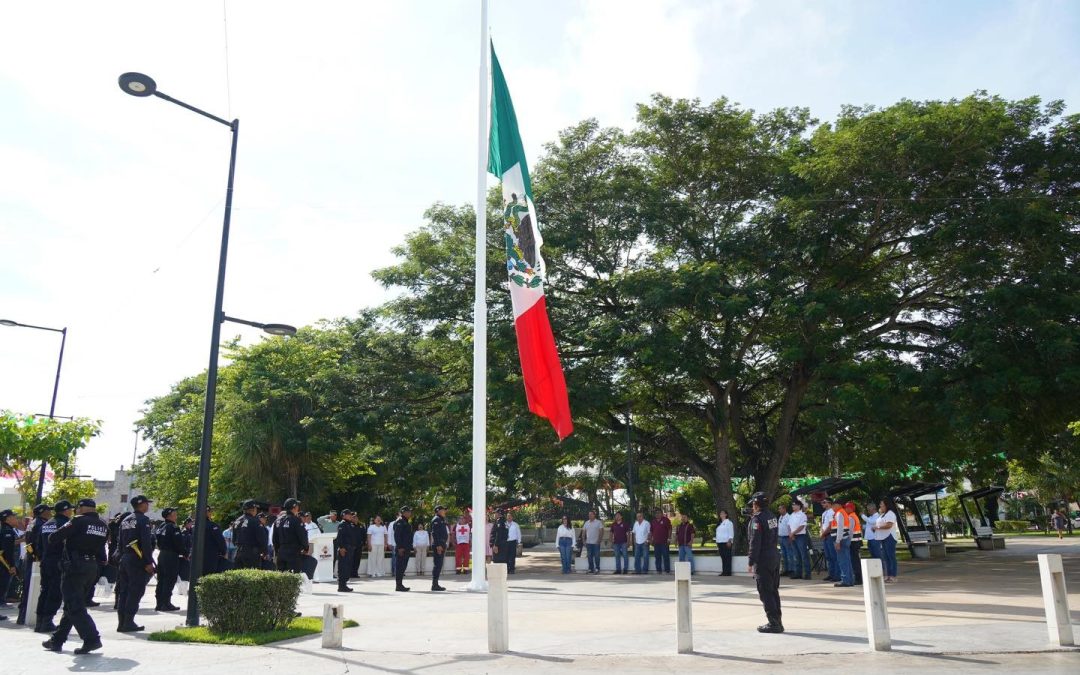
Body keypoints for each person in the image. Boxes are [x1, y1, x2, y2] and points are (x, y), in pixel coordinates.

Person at [40, 499, 107, 655]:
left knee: (74, 606)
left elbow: (53, 537)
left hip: (75, 567)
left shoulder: (78, 521)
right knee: (72, 605)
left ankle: (92, 638)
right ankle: (57, 641)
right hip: (91, 567)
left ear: (82, 508)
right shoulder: (103, 524)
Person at [116, 495, 154, 632]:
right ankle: (129, 622)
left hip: (125, 558)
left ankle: (122, 622)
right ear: (141, 504)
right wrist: (148, 561)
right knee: (135, 591)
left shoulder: (125, 519)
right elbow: (146, 543)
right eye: (146, 503)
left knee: (124, 591)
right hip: (137, 559)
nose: (148, 506)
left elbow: (119, 542)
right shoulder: (143, 520)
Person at [36, 500, 73, 633]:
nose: (71, 512)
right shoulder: (66, 524)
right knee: (55, 592)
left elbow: (38, 545)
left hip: (46, 561)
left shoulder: (46, 523)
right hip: (58, 562)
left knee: (44, 591)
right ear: (66, 510)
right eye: (70, 509)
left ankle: (39, 621)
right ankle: (47, 621)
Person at [747, 492, 782, 633]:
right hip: (773, 555)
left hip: (763, 559)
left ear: (756, 504)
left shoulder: (757, 519)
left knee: (765, 592)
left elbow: (755, 542)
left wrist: (751, 561)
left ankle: (773, 623)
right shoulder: (772, 516)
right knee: (773, 591)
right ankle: (778, 621)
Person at [18, 503, 51, 624]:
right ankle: (26, 616)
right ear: (43, 512)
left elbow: (28, 543)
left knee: (28, 588)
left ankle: (23, 616)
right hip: (35, 560)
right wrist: (36, 557)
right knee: (31, 588)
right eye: (48, 510)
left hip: (31, 558)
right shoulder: (40, 524)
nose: (50, 513)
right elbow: (34, 543)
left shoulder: (33, 522)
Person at [153, 508, 183, 611]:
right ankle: (166, 603)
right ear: (170, 515)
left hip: (162, 554)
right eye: (175, 513)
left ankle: (159, 603)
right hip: (171, 555)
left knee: (161, 580)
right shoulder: (173, 527)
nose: (176, 515)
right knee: (169, 579)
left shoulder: (161, 526)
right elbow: (178, 542)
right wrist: (185, 552)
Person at [273, 498, 309, 573]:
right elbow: (302, 536)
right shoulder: (296, 520)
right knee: (294, 577)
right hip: (293, 553)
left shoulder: (278, 520)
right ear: (295, 507)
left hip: (281, 552)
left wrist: (277, 551)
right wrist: (306, 548)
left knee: (281, 577)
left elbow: (275, 538)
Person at [232, 500, 268, 570]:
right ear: (253, 509)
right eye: (256, 509)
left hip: (238, 552)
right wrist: (264, 552)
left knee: (239, 576)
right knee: (253, 577)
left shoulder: (237, 521)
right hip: (252, 553)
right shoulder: (255, 521)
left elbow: (234, 539)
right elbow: (262, 538)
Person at [872, 499, 899, 582]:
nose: (880, 506)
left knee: (891, 556)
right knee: (885, 557)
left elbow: (889, 525)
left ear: (886, 505)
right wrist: (875, 528)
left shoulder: (890, 514)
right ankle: (887, 575)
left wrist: (878, 527)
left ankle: (893, 575)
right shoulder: (882, 514)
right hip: (883, 537)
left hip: (889, 537)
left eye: (882, 505)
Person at [199, 506, 229, 576]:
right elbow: (220, 541)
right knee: (209, 575)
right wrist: (224, 552)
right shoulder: (212, 526)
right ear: (207, 513)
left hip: (197, 556)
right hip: (210, 556)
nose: (211, 513)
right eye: (210, 512)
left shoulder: (194, 527)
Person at [334, 510, 358, 592]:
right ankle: (341, 586)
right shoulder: (342, 524)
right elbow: (339, 538)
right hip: (344, 549)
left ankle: (344, 585)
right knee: (343, 568)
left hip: (350, 549)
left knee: (347, 568)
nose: (351, 516)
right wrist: (341, 548)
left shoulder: (350, 524)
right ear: (344, 515)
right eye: (349, 515)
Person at [788, 500, 811, 580]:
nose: (792, 506)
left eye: (794, 505)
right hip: (793, 536)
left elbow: (802, 526)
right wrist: (790, 534)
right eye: (792, 505)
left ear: (799, 506)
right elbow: (789, 525)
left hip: (801, 536)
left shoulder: (803, 515)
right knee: (796, 556)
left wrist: (793, 533)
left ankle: (807, 574)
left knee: (803, 555)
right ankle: (798, 573)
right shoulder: (791, 515)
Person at [0, 509, 17, 618]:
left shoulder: (6, 530)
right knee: (2, 587)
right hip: (3, 564)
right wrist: (11, 566)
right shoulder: (7, 531)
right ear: (8, 518)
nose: (15, 518)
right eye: (13, 516)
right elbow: (7, 552)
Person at [393, 506, 414, 592]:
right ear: (403, 512)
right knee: (400, 567)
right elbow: (397, 536)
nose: (410, 513)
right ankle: (398, 585)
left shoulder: (405, 521)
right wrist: (400, 547)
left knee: (403, 567)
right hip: (402, 549)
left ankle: (400, 584)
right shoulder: (400, 522)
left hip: (406, 548)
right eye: (408, 511)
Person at [429, 505, 449, 591]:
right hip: (439, 545)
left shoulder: (441, 519)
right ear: (438, 511)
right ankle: (434, 585)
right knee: (437, 565)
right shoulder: (436, 519)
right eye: (443, 510)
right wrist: (438, 545)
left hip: (441, 544)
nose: (445, 511)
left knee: (439, 565)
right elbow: (435, 533)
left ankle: (436, 584)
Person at [819, 498, 838, 582]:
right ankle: (831, 574)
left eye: (824, 502)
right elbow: (823, 524)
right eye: (822, 502)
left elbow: (831, 525)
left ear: (829, 503)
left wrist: (824, 533)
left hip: (830, 535)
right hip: (825, 535)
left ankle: (836, 575)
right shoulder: (824, 513)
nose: (822, 503)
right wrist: (821, 532)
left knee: (833, 556)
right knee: (828, 556)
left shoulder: (831, 512)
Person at [845, 501, 863, 585]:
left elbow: (850, 531)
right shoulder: (854, 516)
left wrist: (847, 541)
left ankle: (858, 578)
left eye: (846, 507)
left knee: (854, 560)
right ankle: (858, 578)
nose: (845, 509)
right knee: (855, 560)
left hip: (853, 542)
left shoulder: (851, 517)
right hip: (856, 541)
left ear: (850, 508)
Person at [651, 509, 673, 574]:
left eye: (659, 513)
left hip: (664, 542)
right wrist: (651, 539)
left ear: (661, 513)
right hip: (656, 542)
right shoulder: (653, 521)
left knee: (666, 556)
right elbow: (651, 531)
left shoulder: (666, 520)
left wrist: (669, 538)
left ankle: (667, 570)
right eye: (656, 513)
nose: (657, 514)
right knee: (657, 557)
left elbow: (670, 529)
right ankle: (658, 570)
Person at [715, 510, 734, 576]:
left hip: (726, 542)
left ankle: (728, 572)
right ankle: (724, 571)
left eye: (723, 513)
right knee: (723, 557)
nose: (721, 515)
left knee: (727, 557)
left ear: (726, 514)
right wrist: (716, 541)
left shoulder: (729, 522)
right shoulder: (719, 523)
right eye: (720, 514)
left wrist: (729, 541)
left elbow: (731, 532)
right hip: (720, 542)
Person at [776, 504, 792, 576]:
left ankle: (791, 570)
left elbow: (790, 527)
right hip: (781, 537)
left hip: (787, 537)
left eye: (780, 509)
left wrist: (790, 537)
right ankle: (786, 570)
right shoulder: (780, 517)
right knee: (784, 555)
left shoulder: (788, 517)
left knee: (789, 554)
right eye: (779, 509)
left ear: (784, 509)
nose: (779, 510)